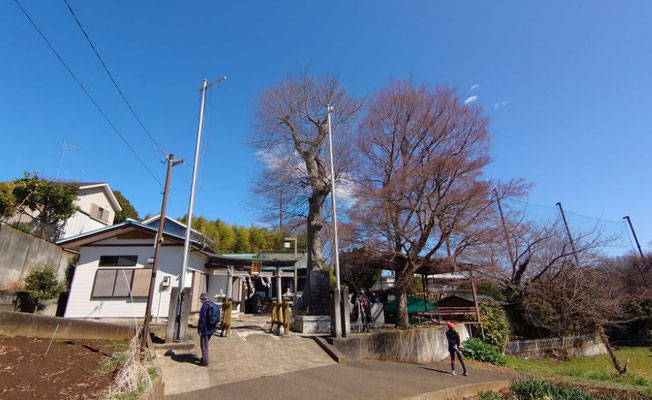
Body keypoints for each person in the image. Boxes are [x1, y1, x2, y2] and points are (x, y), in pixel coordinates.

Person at [197, 292, 216, 366]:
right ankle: (204, 358)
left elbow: (202, 319)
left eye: (201, 299)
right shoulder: (212, 304)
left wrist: (199, 329)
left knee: (204, 345)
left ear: (204, 299)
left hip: (205, 329)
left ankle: (205, 361)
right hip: (211, 328)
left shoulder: (204, 307)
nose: (201, 300)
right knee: (206, 344)